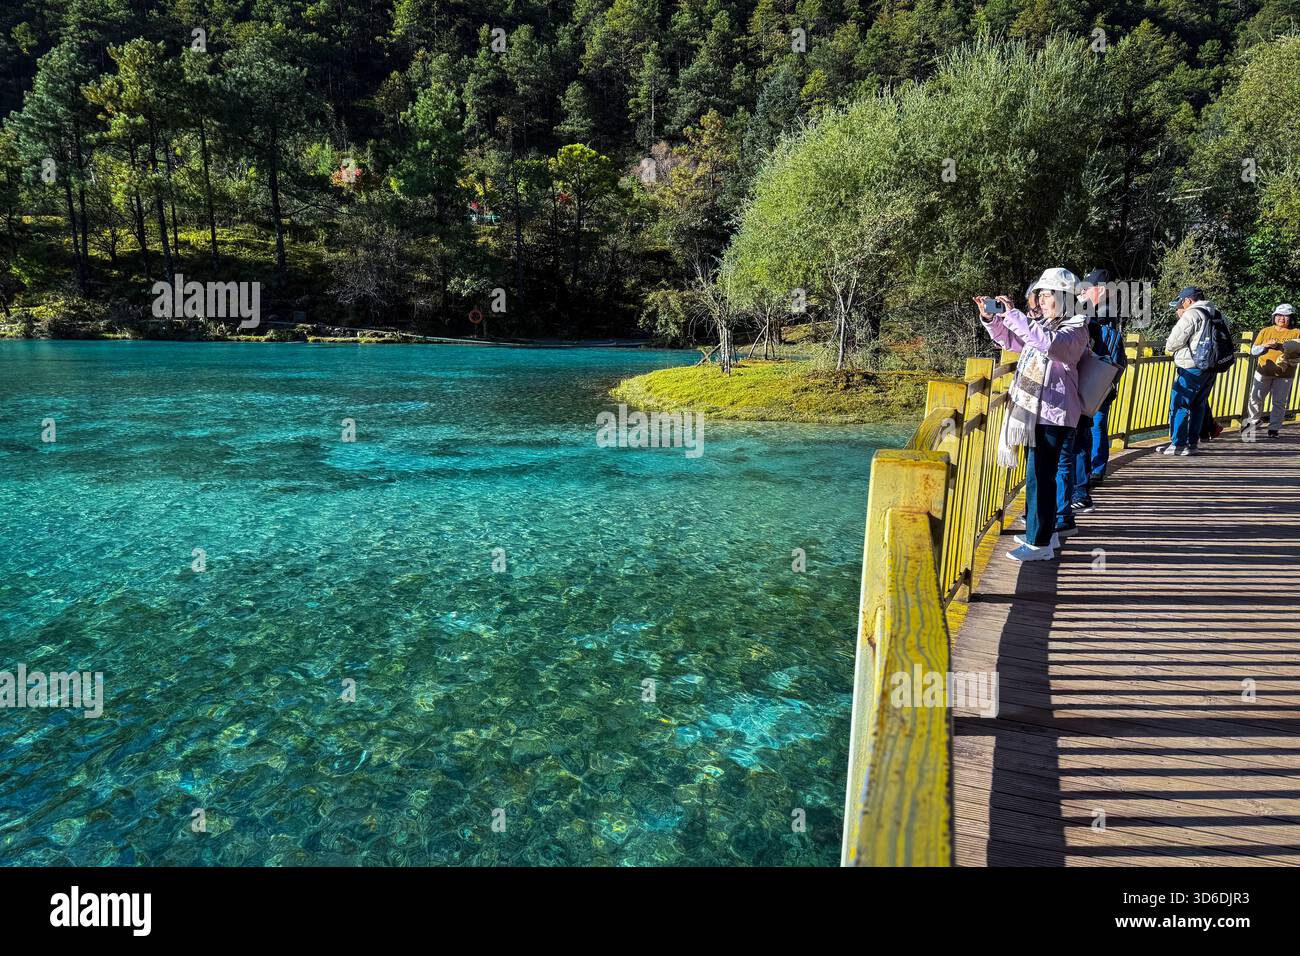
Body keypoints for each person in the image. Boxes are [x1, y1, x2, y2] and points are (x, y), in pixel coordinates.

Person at [974, 268, 1089, 562]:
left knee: (1040, 476)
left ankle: (1038, 543)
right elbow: (1014, 342)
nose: (1041, 299)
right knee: (1040, 475)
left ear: (1064, 298)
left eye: (1048, 294)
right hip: (1040, 412)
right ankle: (1045, 535)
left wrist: (1014, 315)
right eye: (1041, 294)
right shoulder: (1048, 325)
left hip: (1054, 414)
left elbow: (1048, 345)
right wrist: (993, 320)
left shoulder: (1075, 328)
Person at [1067, 268, 1127, 513]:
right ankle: (1091, 474)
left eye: (1086, 287)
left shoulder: (1098, 313)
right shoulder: (1107, 312)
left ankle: (1088, 478)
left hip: (1092, 380)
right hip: (1100, 379)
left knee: (1090, 427)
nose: (1082, 291)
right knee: (1093, 426)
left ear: (1101, 289)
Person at [1163, 287, 1221, 456]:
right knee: (1198, 405)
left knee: (1180, 403)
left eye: (1179, 304)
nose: (1178, 309)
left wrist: (1182, 319)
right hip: (1211, 366)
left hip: (1191, 366)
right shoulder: (1216, 313)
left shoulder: (1192, 314)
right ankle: (1192, 444)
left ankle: (1177, 444)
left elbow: (1172, 343)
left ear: (1187, 301)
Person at [1243, 303, 1300, 438]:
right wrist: (1265, 345)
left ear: (1291, 318)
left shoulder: (1297, 332)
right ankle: (1253, 422)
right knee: (1255, 398)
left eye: (1286, 316)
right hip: (1263, 372)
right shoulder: (1265, 331)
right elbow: (1254, 351)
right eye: (1279, 315)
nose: (1282, 318)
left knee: (1279, 402)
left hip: (1285, 374)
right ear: (1274, 317)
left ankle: (1274, 429)